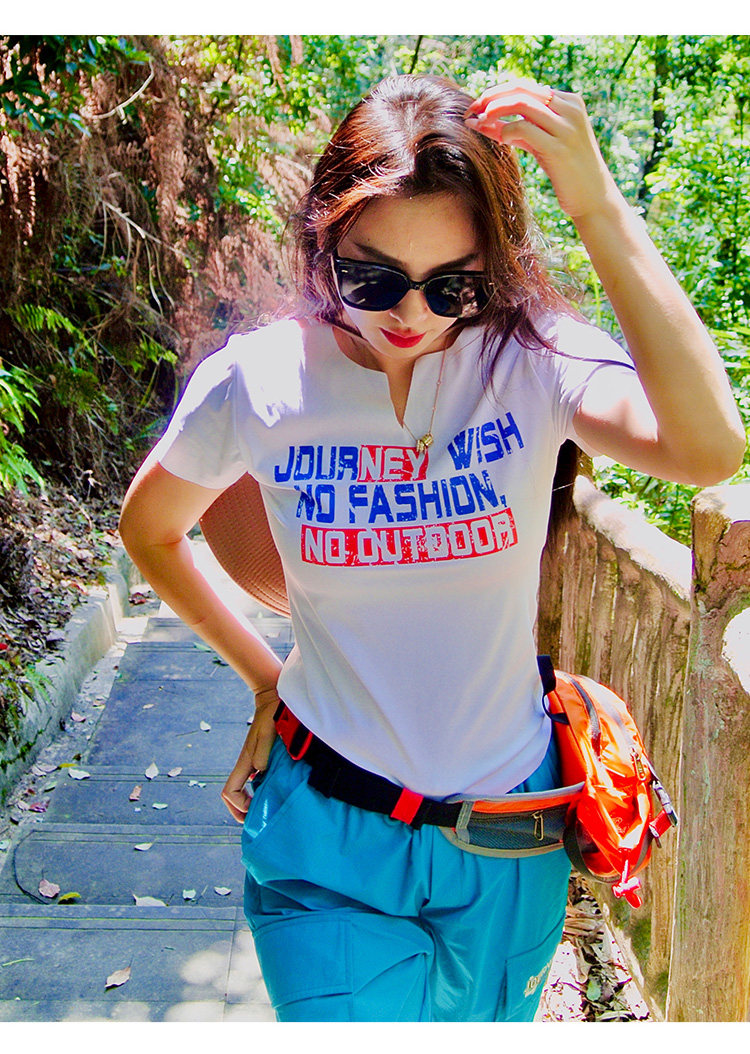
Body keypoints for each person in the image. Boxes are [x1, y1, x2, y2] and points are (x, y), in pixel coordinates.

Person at [118, 74, 744, 1022]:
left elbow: (708, 449)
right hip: (328, 829)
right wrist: (264, 679)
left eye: (453, 285)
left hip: (509, 839)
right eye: (373, 279)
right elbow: (151, 529)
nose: (410, 315)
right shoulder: (261, 382)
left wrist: (598, 206)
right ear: (324, 243)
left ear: (494, 267)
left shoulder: (533, 361)